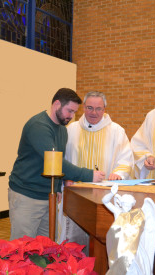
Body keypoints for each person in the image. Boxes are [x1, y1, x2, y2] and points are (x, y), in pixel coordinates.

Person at [8, 88, 105, 241]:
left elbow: (57, 161)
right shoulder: (39, 126)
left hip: (48, 196)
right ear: (57, 104)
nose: (72, 116)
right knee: (22, 248)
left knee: (45, 248)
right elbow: (56, 162)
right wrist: (89, 175)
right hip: (26, 196)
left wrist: (57, 186)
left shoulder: (62, 130)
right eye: (70, 111)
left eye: (74, 112)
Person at [57, 90, 134, 247]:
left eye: (98, 108)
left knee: (102, 240)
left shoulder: (116, 131)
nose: (94, 112)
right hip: (76, 194)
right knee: (73, 240)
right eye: (89, 108)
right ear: (83, 108)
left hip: (104, 196)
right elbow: (61, 158)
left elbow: (126, 158)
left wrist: (118, 174)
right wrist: (66, 178)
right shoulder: (71, 130)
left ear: (105, 109)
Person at [102, 183, 155, 275]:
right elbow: (105, 201)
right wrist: (111, 193)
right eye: (125, 204)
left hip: (133, 247)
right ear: (121, 203)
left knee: (133, 266)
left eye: (129, 204)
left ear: (132, 204)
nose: (127, 207)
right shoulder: (118, 212)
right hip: (120, 246)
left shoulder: (136, 215)